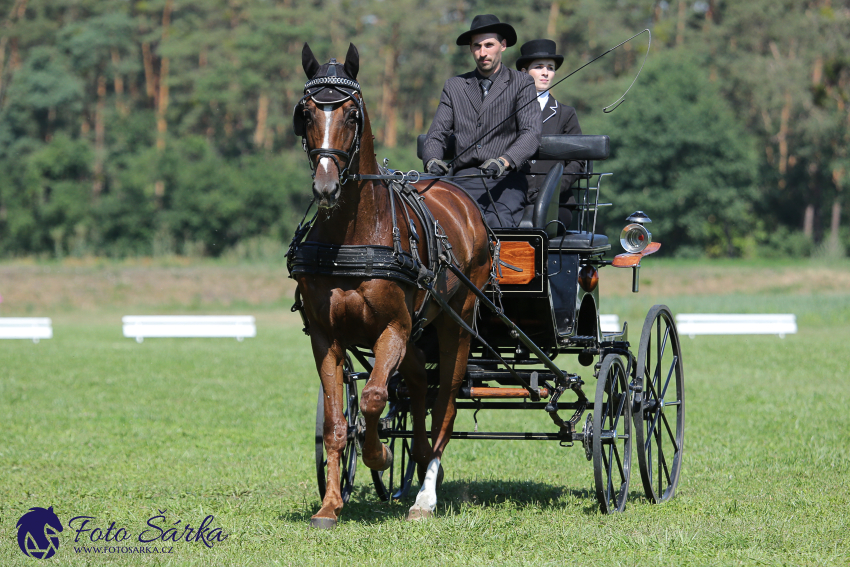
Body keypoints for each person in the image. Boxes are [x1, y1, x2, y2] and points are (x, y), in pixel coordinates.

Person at [422, 14, 541, 228]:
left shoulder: (522, 83)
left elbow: (531, 134)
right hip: (462, 179)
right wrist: (432, 160)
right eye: (477, 46)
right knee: (434, 224)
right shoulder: (455, 86)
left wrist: (503, 161)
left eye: (489, 45)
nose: (482, 52)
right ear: (470, 48)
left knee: (496, 224)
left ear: (503, 46)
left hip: (505, 180)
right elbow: (436, 134)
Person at [516, 39, 584, 230]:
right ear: (524, 72)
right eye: (539, 67)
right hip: (514, 200)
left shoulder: (566, 114)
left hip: (557, 203)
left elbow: (578, 162)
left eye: (550, 68)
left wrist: (551, 190)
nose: (546, 73)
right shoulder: (508, 113)